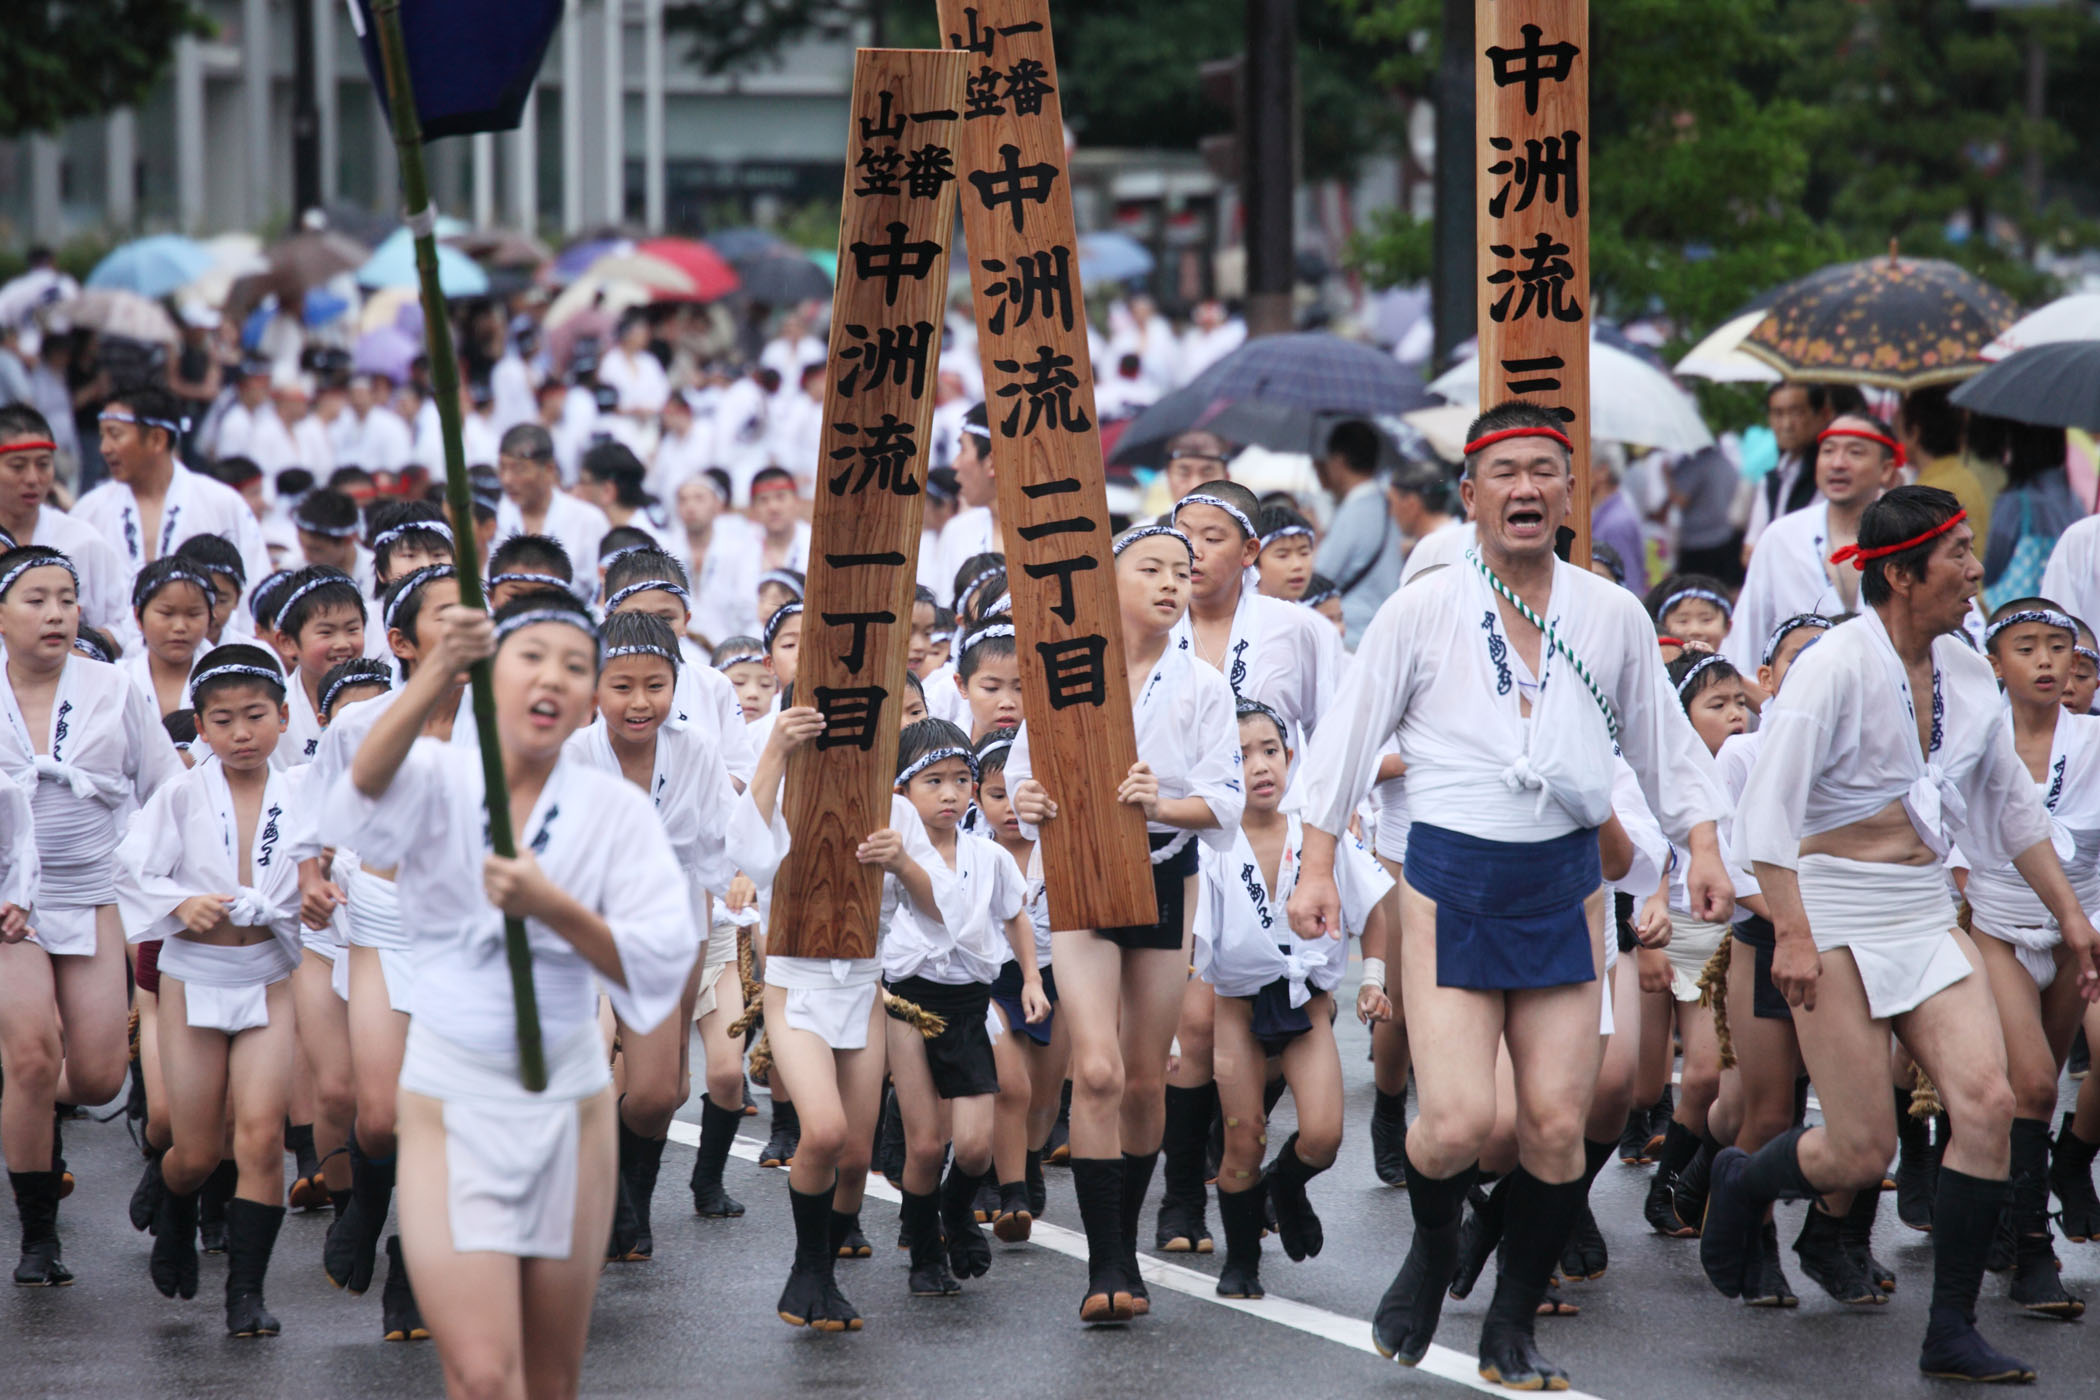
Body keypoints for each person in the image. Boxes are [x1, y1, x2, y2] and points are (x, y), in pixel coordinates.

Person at [1288, 401, 1731, 1389]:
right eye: (1505, 473)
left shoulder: (1611, 612)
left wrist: (1701, 841)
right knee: (1450, 1123)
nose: (1525, 488)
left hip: (1565, 882)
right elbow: (1346, 742)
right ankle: (1425, 1250)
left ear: (1569, 491)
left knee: (1554, 1127)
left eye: (1544, 471)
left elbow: (1661, 742)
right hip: (1450, 879)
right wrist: (1317, 865)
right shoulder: (1424, 605)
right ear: (1471, 494)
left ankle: (1511, 1325)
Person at [1712, 485, 2100, 1383]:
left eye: (1971, 550)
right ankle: (1742, 1180)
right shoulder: (1833, 668)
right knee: (1859, 1149)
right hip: (1832, 907)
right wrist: (1797, 939)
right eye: (1957, 555)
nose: (1975, 572)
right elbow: (1765, 819)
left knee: (1989, 1102)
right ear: (1900, 574)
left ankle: (1951, 1330)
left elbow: (2010, 809)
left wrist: (2075, 919)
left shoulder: (1967, 671)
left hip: (1922, 906)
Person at [331, 589, 696, 1397]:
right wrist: (433, 675)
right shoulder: (438, 779)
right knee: (486, 1376)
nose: (553, 678)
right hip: (448, 1100)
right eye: (531, 657)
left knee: (549, 1377)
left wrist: (554, 908)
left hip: (569, 1104)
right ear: (492, 677)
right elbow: (357, 794)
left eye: (575, 665)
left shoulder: (615, 813)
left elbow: (655, 970)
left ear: (588, 697)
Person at [1008, 522, 1244, 1323]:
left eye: (1183, 571)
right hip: (1078, 874)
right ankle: (1105, 1260)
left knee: (1148, 1077)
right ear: (1109, 582)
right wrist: (1030, 802)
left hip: (1164, 876)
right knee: (1100, 1069)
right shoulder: (1066, 669)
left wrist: (1160, 802)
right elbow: (1018, 779)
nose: (1172, 583)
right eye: (1152, 568)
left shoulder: (1204, 685)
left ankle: (1125, 1243)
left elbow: (1224, 803)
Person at [116, 645, 303, 1334]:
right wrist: (180, 904)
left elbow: (332, 874)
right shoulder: (181, 793)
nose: (242, 733)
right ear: (202, 726)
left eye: (256, 716)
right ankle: (175, 1208)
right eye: (223, 720)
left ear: (284, 717)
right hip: (194, 976)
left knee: (258, 1140)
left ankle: (246, 1295)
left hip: (268, 979)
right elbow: (132, 870)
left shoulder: (306, 795)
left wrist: (319, 897)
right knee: (194, 1150)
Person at [1195, 699, 1393, 1300]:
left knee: (1325, 1136)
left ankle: (1285, 1184)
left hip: (1307, 1003)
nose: (1259, 765)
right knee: (1242, 1135)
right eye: (1241, 755)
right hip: (1236, 1003)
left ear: (1289, 757)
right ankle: (1242, 1260)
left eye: (1270, 751)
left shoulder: (1317, 834)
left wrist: (1373, 979)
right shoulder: (1209, 843)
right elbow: (1190, 947)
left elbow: (1375, 911)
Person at [564, 610, 746, 1263]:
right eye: (622, 686)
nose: (640, 702)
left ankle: (623, 1191)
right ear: (593, 689)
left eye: (655, 685)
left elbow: (723, 842)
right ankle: (622, 1209)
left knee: (662, 1089)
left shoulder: (695, 750)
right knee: (616, 1079)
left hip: (674, 926)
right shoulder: (572, 755)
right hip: (590, 931)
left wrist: (744, 877)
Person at [1962, 600, 2098, 1316]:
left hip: (2083, 931)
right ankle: (2033, 1252)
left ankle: (2005, 1221)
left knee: (2029, 1103)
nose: (2046, 661)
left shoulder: (2097, 741)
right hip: (2000, 929)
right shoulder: (1974, 741)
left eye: (2059, 647)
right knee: (2038, 1084)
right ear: (1994, 664)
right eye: (2026, 647)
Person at [882, 719, 1044, 1296]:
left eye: (960, 779)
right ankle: (924, 1252)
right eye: (932, 781)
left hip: (971, 1002)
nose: (950, 793)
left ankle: (955, 1213)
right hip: (909, 1000)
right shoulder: (893, 855)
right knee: (927, 1143)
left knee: (974, 1147)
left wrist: (1030, 978)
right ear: (902, 792)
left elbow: (1014, 915)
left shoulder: (991, 855)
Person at [1724, 414, 1904, 673]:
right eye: (1828, 451)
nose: (1838, 463)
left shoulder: (1909, 538)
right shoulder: (1781, 537)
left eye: (1855, 452)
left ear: (1886, 469)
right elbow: (1746, 639)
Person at [74, 383, 271, 603]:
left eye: (115, 434)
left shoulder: (222, 502)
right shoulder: (89, 509)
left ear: (157, 439)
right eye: (102, 436)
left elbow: (254, 587)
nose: (104, 448)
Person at [0, 404, 127, 635]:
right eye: (17, 466)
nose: (32, 478)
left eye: (43, 465)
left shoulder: (82, 542)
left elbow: (124, 626)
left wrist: (76, 651)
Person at [493, 424, 611, 602]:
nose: (507, 479)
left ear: (549, 469)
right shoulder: (495, 516)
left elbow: (601, 593)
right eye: (502, 468)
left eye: (519, 469)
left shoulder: (588, 520)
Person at [1312, 420, 1403, 647]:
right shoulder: (1384, 505)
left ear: (1338, 461)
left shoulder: (1355, 511)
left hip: (1354, 634)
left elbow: (1321, 575)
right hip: (1383, 630)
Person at [1743, 382, 1846, 557]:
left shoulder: (1838, 475)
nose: (1786, 425)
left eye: (1796, 413)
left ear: (1823, 415)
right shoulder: (1772, 478)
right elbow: (1750, 551)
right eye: (1778, 414)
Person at [673, 470, 760, 649]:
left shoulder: (740, 547)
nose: (690, 507)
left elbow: (748, 605)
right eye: (683, 500)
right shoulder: (667, 548)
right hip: (684, 647)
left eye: (699, 499)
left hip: (731, 645)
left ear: (718, 504)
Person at [123, 558, 218, 718]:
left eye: (193, 614)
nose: (180, 627)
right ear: (138, 616)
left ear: (210, 618)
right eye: (166, 613)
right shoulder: (119, 680)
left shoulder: (226, 681)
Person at [931, 406, 1004, 609]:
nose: (955, 464)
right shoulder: (958, 531)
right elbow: (946, 621)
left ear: (991, 462)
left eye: (962, 449)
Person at [748, 466, 812, 576]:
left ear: (797, 501)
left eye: (780, 497)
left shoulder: (815, 543)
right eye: (764, 500)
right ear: (753, 508)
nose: (773, 507)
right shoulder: (743, 546)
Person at [1253, 504, 1316, 602]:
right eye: (1282, 556)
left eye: (1304, 553)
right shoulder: (1238, 615)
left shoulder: (1313, 616)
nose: (1297, 565)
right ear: (1254, 561)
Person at [1159, 430, 1234, 508]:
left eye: (1207, 473)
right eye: (1184, 474)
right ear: (1168, 476)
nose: (1195, 485)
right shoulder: (1154, 521)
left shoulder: (1243, 519)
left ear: (1226, 478)